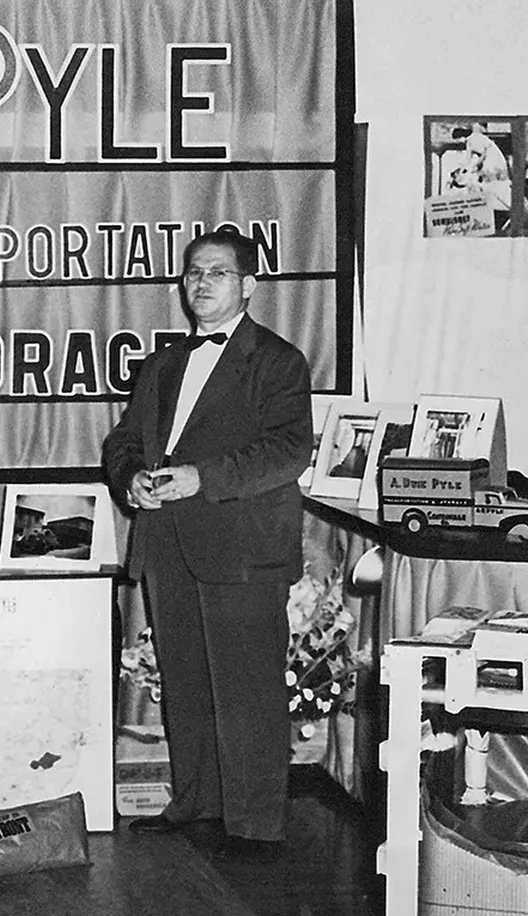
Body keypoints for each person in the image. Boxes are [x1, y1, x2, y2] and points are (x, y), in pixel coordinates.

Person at [102, 227, 313, 861]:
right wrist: (129, 478)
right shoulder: (164, 363)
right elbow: (122, 442)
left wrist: (203, 478)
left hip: (242, 550)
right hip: (167, 544)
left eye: (217, 273)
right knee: (186, 684)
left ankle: (253, 824)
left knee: (247, 690)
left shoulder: (279, 361)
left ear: (249, 286)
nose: (201, 283)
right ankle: (194, 802)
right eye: (194, 272)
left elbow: (287, 450)